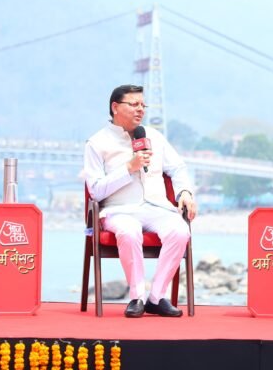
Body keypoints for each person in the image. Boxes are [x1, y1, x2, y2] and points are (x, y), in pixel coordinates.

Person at [83, 84, 197, 318]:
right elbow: (95, 191)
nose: (140, 110)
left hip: (156, 207)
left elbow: (177, 168)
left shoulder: (154, 137)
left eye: (143, 105)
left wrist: (185, 192)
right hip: (119, 210)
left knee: (180, 231)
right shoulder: (97, 143)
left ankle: (156, 297)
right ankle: (137, 297)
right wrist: (128, 168)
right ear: (115, 107)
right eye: (134, 104)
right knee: (129, 231)